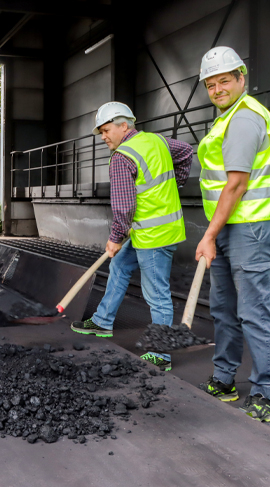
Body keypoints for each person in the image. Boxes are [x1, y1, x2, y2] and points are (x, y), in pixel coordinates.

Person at [193, 47, 270, 422]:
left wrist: (207, 235)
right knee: (223, 308)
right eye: (210, 84)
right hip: (231, 226)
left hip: (251, 227)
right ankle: (224, 379)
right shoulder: (226, 119)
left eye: (224, 81)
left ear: (241, 79)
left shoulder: (246, 119)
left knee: (252, 311)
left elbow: (235, 184)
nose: (217, 89)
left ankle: (265, 394)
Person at [71, 102, 193, 371]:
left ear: (123, 125)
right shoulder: (156, 141)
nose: (103, 137)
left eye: (106, 130)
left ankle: (161, 353)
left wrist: (115, 237)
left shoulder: (122, 156)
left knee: (157, 294)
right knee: (119, 266)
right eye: (101, 132)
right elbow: (185, 151)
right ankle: (103, 321)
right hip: (154, 230)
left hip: (152, 236)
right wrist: (178, 180)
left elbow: (124, 206)